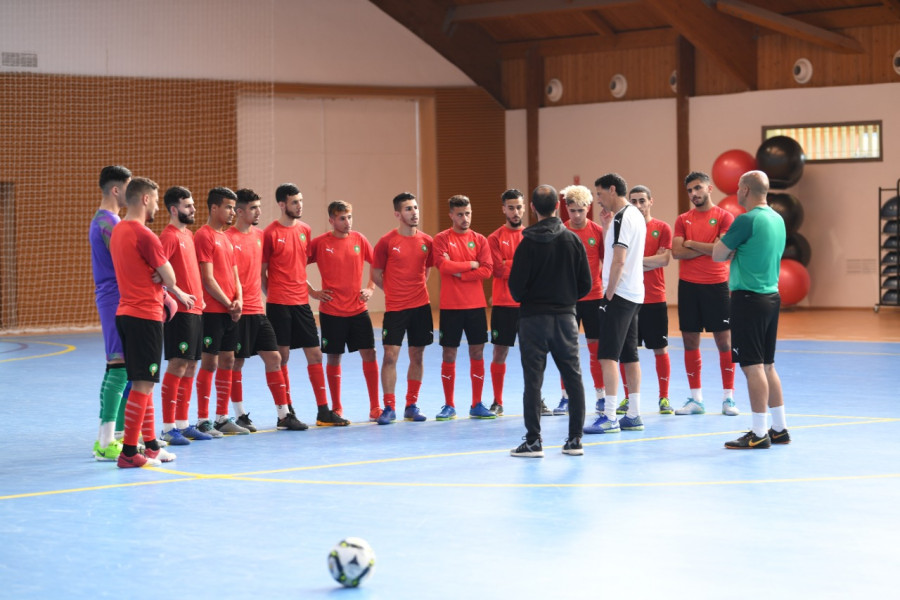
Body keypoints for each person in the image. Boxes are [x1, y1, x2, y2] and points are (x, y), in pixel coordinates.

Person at [110, 176, 193, 467]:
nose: (157, 206)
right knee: (143, 385)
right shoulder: (144, 234)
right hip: (144, 315)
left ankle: (151, 446)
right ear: (145, 199)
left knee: (145, 383)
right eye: (156, 200)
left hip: (126, 313)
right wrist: (166, 278)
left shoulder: (118, 231)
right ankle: (129, 453)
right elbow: (169, 276)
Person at [508, 184, 592, 457]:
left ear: (532, 208)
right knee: (573, 378)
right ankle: (575, 440)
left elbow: (515, 289)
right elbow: (586, 284)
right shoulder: (573, 240)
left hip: (533, 320)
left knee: (533, 381)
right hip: (566, 319)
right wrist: (565, 299)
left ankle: (534, 441)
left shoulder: (526, 243)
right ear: (559, 206)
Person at [712, 170, 789, 448]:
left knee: (752, 366)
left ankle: (758, 433)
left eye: (738, 187)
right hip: (771, 296)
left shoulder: (747, 220)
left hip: (748, 298)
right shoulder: (777, 219)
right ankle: (779, 428)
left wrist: (731, 249)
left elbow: (717, 254)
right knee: (768, 365)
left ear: (745, 189)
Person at [671, 171, 739, 417]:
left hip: (716, 285)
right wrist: (709, 247)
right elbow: (676, 253)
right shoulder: (682, 220)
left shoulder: (724, 217)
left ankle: (728, 398)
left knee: (725, 342)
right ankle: (696, 400)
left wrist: (691, 243)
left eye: (698, 188)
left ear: (709, 189)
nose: (694, 193)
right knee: (690, 342)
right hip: (688, 286)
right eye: (690, 190)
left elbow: (724, 252)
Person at [584, 173, 646, 434]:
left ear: (612, 190)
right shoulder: (635, 216)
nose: (598, 200)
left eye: (599, 194)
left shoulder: (622, 218)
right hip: (634, 294)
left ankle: (609, 416)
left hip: (619, 295)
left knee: (607, 356)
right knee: (630, 355)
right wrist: (606, 226)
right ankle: (633, 414)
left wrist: (607, 295)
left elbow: (619, 260)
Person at [225, 188, 292, 431]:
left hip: (258, 310)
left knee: (274, 358)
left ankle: (284, 415)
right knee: (236, 363)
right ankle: (239, 414)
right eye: (253, 208)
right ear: (240, 212)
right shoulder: (227, 238)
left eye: (259, 207)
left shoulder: (261, 236)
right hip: (237, 312)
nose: (258, 212)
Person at [308, 200, 379, 426]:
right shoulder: (320, 243)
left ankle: (375, 407)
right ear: (331, 220)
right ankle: (336, 407)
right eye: (342, 218)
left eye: (349, 217)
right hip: (331, 311)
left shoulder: (360, 240)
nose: (347, 222)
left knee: (370, 353)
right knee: (334, 357)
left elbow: (376, 264)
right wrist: (312, 291)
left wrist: (370, 288)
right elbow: (295, 266)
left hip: (358, 310)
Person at [261, 183, 325, 431]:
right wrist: (274, 296)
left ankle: (323, 410)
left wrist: (311, 291)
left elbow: (297, 267)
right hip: (279, 304)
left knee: (315, 354)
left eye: (301, 201)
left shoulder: (305, 230)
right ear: (282, 204)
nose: (299, 206)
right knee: (282, 357)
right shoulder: (270, 233)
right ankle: (287, 410)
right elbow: (263, 272)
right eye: (294, 202)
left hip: (302, 304)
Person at [371, 192, 434, 425]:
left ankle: (411, 405)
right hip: (396, 308)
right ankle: (389, 407)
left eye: (415, 207)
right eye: (408, 209)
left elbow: (427, 269)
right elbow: (376, 274)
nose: (414, 212)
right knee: (390, 356)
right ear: (398, 214)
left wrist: (416, 289)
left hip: (421, 307)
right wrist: (393, 291)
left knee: (417, 355)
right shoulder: (387, 242)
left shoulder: (427, 241)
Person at [432, 195, 495, 421]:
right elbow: (443, 266)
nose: (465, 218)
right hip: (450, 306)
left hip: (476, 306)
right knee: (449, 353)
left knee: (477, 352)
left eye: (467, 213)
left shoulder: (480, 240)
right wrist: (471, 264)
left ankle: (476, 403)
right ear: (451, 215)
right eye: (460, 214)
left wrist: (459, 273)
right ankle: (449, 405)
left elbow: (487, 270)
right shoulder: (441, 239)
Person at [158, 186, 213, 444]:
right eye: (187, 206)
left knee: (191, 365)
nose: (193, 209)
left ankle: (182, 423)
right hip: (180, 311)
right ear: (173, 209)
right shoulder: (168, 237)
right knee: (178, 364)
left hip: (196, 309)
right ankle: (168, 428)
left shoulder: (188, 235)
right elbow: (156, 272)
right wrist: (178, 294)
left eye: (192, 205)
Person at [616, 185, 674, 416]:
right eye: (634, 201)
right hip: (629, 297)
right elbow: (619, 262)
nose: (638, 205)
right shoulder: (624, 228)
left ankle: (664, 397)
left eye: (642, 200)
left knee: (660, 349)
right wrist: (649, 260)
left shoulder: (662, 228)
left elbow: (664, 260)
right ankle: (628, 398)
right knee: (626, 351)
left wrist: (633, 261)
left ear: (651, 201)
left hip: (654, 297)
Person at [194, 186, 247, 436]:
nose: (232, 212)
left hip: (230, 310)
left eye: (233, 208)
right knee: (210, 362)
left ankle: (222, 417)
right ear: (214, 208)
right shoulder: (203, 235)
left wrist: (239, 301)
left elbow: (235, 275)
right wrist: (228, 303)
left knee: (228, 360)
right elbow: (207, 278)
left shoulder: (227, 238)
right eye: (228, 207)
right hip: (213, 311)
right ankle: (202, 419)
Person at [90, 166, 132, 461]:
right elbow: (127, 262)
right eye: (129, 187)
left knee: (118, 366)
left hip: (114, 298)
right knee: (119, 366)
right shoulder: (109, 223)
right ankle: (106, 441)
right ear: (116, 190)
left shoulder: (105, 220)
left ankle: (116, 435)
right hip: (116, 298)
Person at [556, 184, 606, 416]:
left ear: (588, 208)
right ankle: (566, 397)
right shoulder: (560, 232)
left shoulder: (598, 231)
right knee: (567, 349)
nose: (576, 215)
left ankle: (601, 396)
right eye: (572, 210)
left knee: (596, 349)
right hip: (568, 300)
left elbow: (608, 262)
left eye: (581, 210)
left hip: (594, 297)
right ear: (566, 209)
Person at [487, 189, 525, 416]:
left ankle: (536, 398)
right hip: (503, 304)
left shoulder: (531, 236)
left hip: (528, 305)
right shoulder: (494, 238)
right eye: (511, 208)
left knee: (533, 354)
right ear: (503, 209)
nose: (515, 212)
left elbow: (536, 269)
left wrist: (508, 263)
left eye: (519, 207)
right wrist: (522, 265)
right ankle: (497, 400)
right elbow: (497, 270)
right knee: (499, 352)